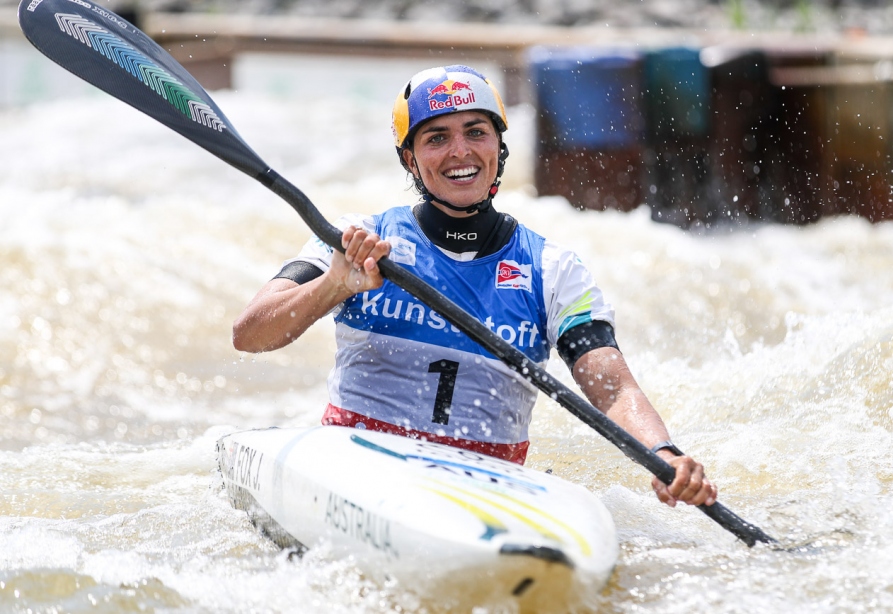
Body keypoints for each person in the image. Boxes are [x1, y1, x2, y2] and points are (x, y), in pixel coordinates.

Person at [232, 65, 717, 508]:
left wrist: (664, 453)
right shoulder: (356, 238)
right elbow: (249, 334)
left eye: (476, 132)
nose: (460, 152)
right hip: (359, 468)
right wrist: (334, 286)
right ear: (410, 159)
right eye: (436, 137)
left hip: (486, 490)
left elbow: (612, 389)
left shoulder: (553, 269)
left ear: (499, 148)